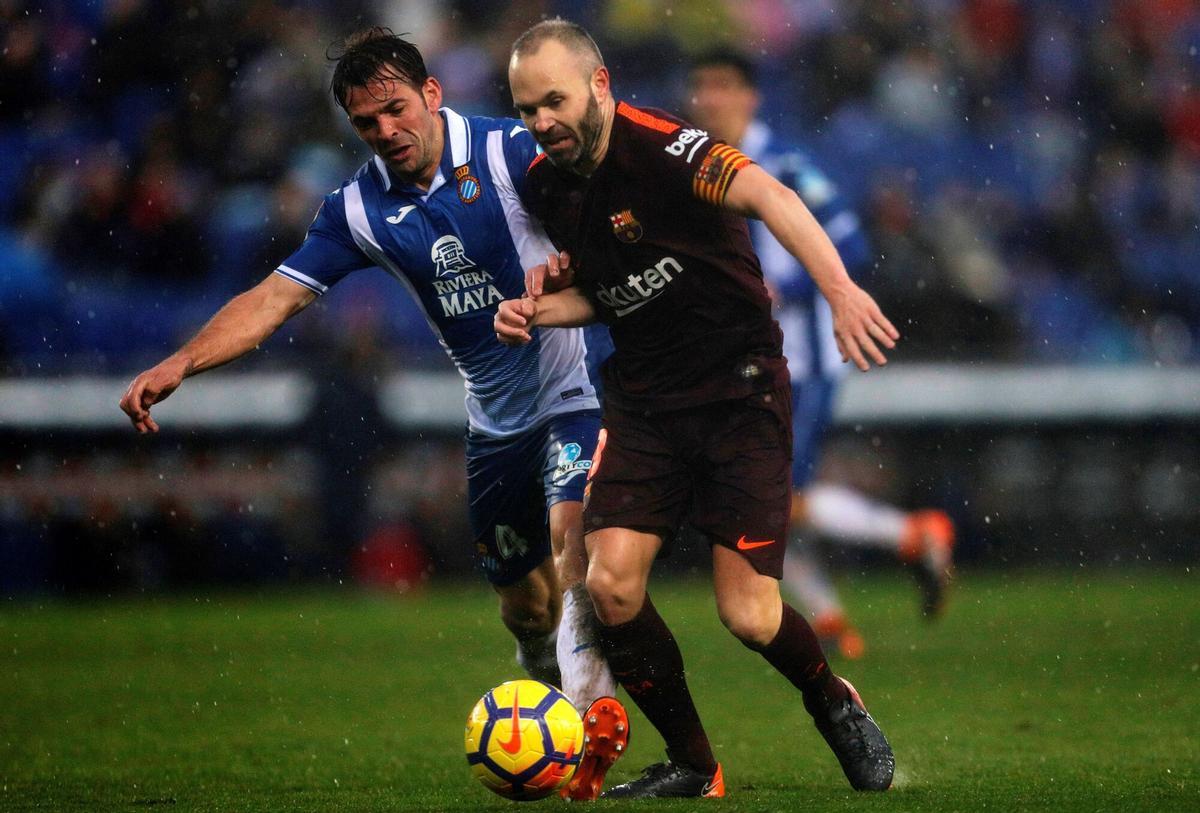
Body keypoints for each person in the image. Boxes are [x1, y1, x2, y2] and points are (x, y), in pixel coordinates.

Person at [118, 28, 626, 801]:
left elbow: (606, 201)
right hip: (494, 425)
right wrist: (179, 361)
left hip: (575, 391)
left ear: (431, 95)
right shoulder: (356, 209)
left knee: (572, 537)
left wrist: (569, 270)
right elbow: (271, 300)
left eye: (396, 110)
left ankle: (591, 723)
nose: (387, 133)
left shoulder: (508, 149)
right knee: (525, 608)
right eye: (366, 123)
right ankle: (548, 692)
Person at [497, 19, 897, 799]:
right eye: (525, 110)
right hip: (646, 404)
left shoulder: (666, 147)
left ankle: (831, 699)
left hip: (738, 392)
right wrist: (537, 311)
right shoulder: (548, 185)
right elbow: (609, 289)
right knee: (609, 585)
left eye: (554, 100)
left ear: (599, 86)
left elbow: (770, 194)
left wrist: (842, 291)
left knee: (748, 614)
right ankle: (694, 762)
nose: (542, 122)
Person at [686, 49, 956, 659]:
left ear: (751, 97)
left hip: (800, 366)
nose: (710, 100)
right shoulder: (694, 169)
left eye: (723, 87)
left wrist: (792, 288)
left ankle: (910, 535)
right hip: (738, 363)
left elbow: (853, 247)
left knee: (769, 496)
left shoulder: (786, 165)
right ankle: (832, 617)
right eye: (701, 88)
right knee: (755, 497)